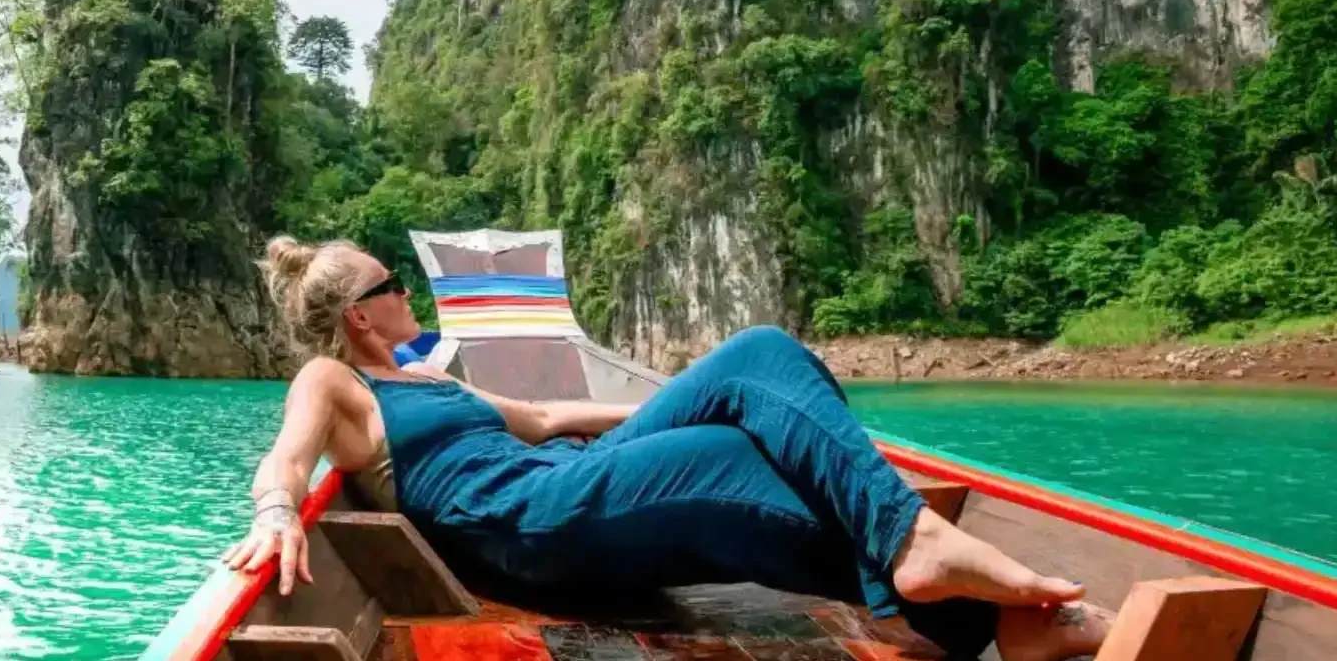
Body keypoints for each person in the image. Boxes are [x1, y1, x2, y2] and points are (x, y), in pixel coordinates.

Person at [223, 237, 1114, 661]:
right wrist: (274, 514)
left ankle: (975, 612)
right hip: (530, 526)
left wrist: (683, 404)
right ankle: (924, 558)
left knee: (759, 363)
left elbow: (539, 417)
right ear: (359, 315)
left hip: (565, 479)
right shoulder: (337, 384)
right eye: (392, 283)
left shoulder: (439, 383)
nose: (408, 290)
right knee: (731, 459)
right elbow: (287, 462)